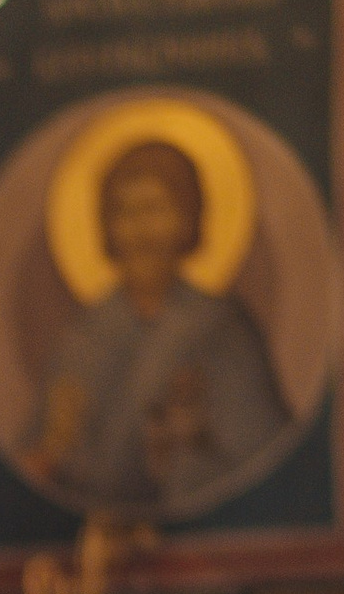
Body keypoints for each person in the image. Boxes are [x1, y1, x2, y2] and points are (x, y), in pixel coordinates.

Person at [26, 135, 292, 515]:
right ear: (107, 226)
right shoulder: (82, 337)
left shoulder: (222, 329)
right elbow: (39, 463)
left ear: (186, 219)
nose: (140, 231)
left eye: (154, 209)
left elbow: (269, 462)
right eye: (124, 211)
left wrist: (193, 447)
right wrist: (54, 448)